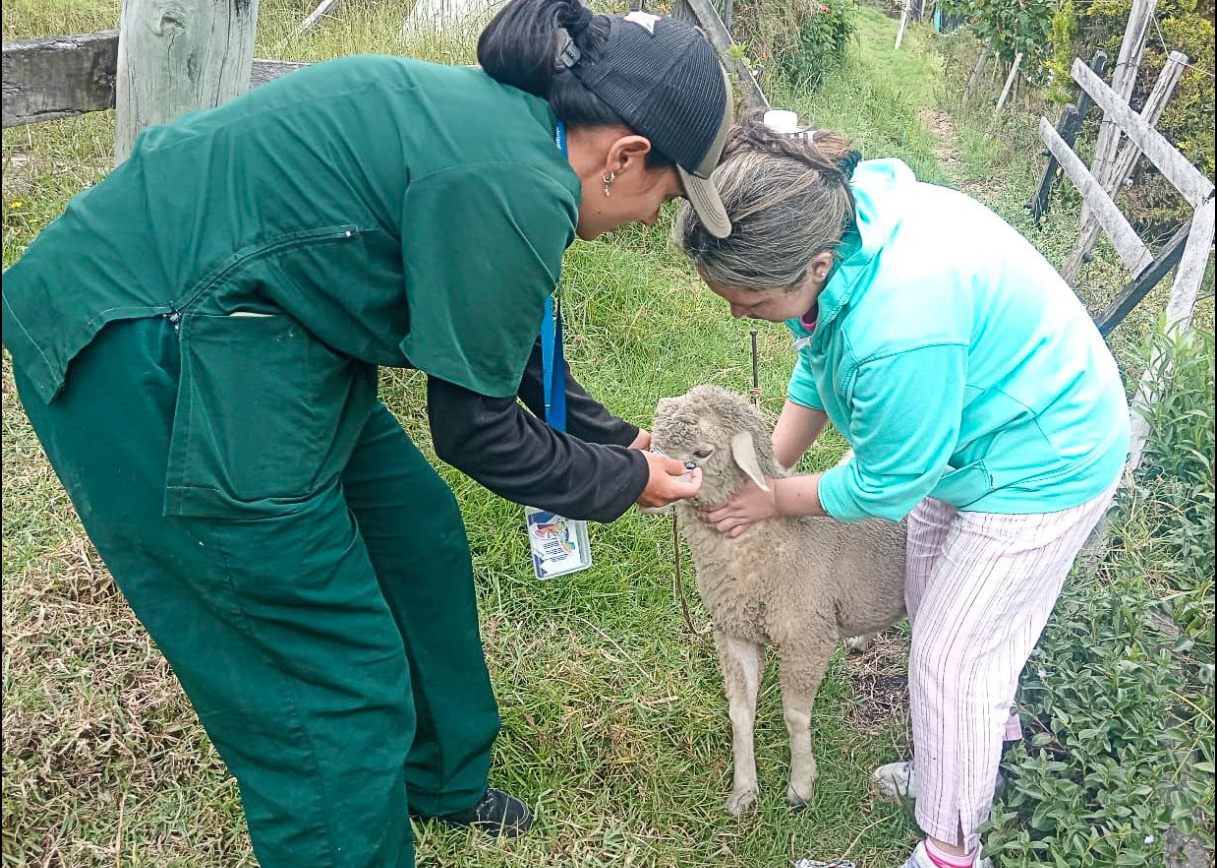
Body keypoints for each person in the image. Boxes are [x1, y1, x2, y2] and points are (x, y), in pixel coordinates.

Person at [1, 2, 735, 864]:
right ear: (625, 156)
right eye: (670, 194)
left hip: (264, 322)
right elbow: (477, 432)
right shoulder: (511, 180)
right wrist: (622, 482)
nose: (655, 218)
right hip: (148, 339)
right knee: (329, 681)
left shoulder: (514, 135)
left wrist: (616, 441)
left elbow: (496, 333)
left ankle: (441, 784)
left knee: (413, 535)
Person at [673, 114, 1129, 868]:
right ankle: (973, 747)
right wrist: (768, 469)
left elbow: (887, 482)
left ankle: (950, 849)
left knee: (951, 657)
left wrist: (774, 500)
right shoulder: (840, 227)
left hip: (1043, 458)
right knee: (931, 596)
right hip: (974, 435)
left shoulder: (900, 324)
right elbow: (815, 358)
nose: (735, 312)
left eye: (747, 300)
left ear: (813, 267)